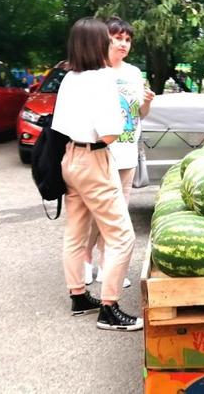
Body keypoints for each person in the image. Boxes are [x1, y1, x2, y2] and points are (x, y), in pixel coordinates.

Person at [51, 17, 142, 331]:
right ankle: (109, 308)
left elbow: (58, 125)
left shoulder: (69, 78)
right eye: (107, 38)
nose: (112, 43)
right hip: (94, 159)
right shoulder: (102, 78)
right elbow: (110, 133)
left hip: (70, 158)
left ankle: (78, 296)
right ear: (95, 43)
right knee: (122, 236)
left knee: (76, 232)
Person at [84, 16, 155, 287]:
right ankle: (85, 261)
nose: (123, 44)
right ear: (106, 39)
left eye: (127, 40)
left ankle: (107, 266)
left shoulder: (134, 74)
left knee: (118, 214)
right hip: (100, 153)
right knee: (94, 212)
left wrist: (147, 103)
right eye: (118, 38)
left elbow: (140, 114)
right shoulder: (93, 71)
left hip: (127, 152)